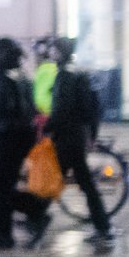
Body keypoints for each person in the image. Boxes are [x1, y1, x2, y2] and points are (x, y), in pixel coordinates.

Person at [0, 37, 49, 250]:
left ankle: (2, 233)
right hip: (25, 135)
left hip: (8, 136)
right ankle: (3, 229)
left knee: (1, 185)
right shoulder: (23, 76)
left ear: (1, 55)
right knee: (5, 184)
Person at [43, 36, 113, 243]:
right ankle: (103, 227)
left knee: (56, 180)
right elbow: (92, 108)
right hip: (77, 136)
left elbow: (61, 110)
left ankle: (36, 217)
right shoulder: (79, 74)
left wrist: (47, 127)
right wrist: (91, 134)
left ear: (61, 53)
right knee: (79, 182)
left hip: (67, 138)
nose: (50, 53)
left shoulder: (64, 76)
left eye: (54, 50)